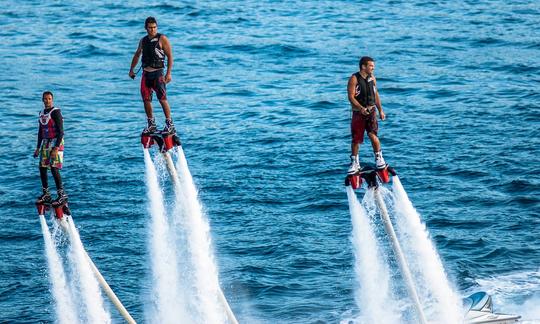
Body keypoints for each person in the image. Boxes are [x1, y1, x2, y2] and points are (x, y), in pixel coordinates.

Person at [129, 16, 176, 134]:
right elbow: (137, 55)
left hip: (158, 74)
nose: (152, 30)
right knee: (146, 100)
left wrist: (169, 73)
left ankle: (170, 124)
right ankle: (151, 124)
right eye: (150, 28)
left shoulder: (162, 39)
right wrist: (131, 70)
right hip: (146, 74)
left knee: (162, 99)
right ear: (146, 28)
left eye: (154, 27)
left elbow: (170, 56)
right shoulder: (143, 40)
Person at [347, 56, 386, 174]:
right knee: (356, 140)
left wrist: (380, 110)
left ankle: (379, 158)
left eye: (373, 66)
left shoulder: (372, 78)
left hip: (371, 111)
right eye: (371, 66)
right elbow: (351, 97)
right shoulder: (354, 78)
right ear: (363, 66)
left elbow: (376, 94)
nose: (373, 68)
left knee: (373, 135)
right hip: (358, 113)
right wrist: (361, 108)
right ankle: (355, 163)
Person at [34, 91, 67, 204]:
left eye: (49, 99)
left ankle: (61, 195)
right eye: (45, 99)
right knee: (42, 167)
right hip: (46, 142)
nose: (47, 101)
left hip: (56, 142)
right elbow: (40, 132)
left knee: (54, 168)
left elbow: (61, 132)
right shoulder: (41, 113)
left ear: (52, 99)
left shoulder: (56, 112)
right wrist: (38, 147)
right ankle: (46, 194)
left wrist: (56, 148)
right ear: (42, 100)